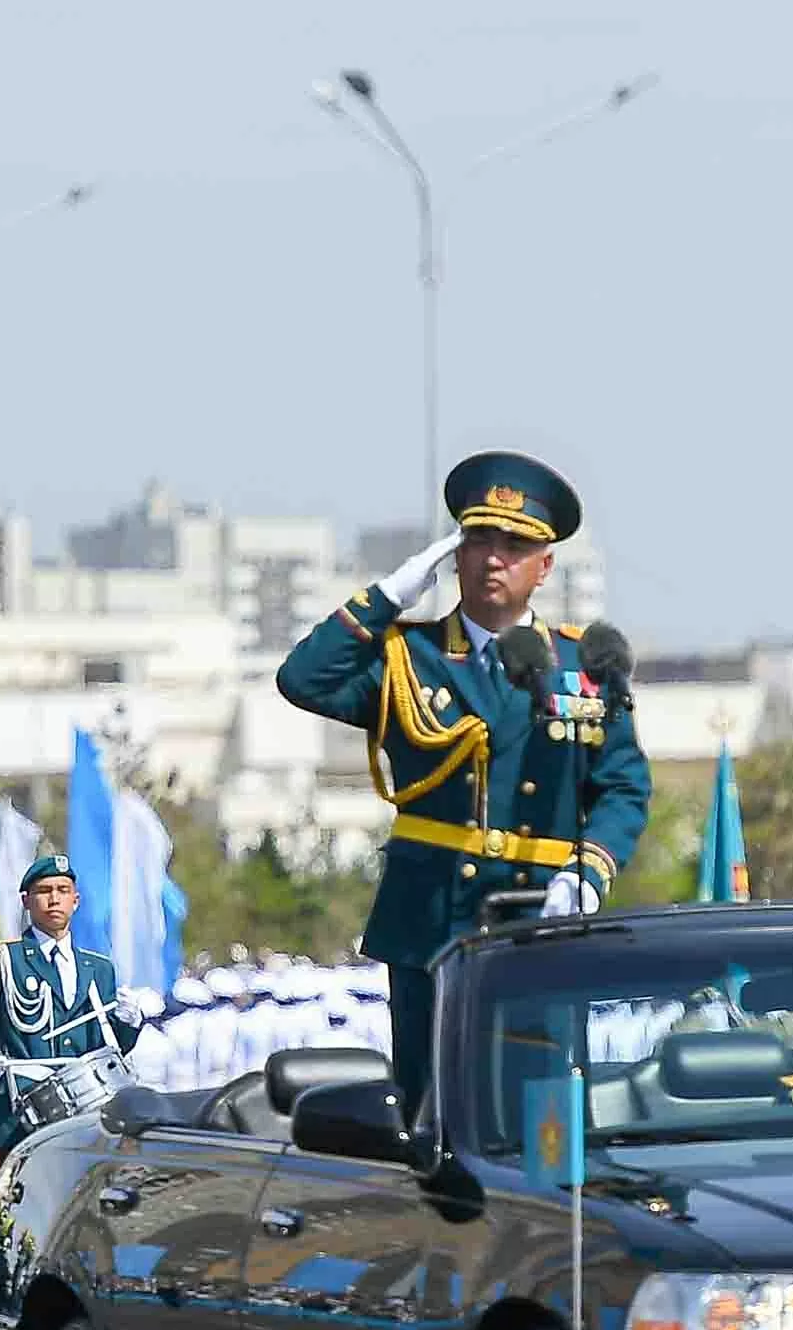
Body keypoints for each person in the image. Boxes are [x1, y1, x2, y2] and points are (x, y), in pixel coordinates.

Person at [275, 450, 651, 1120]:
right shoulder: (404, 656)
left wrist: (587, 873)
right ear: (453, 554)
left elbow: (622, 788)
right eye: (478, 539)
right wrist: (385, 597)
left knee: (539, 1113)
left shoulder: (582, 667)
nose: (493, 558)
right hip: (430, 917)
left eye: (514, 544)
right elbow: (302, 680)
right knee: (433, 1110)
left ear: (545, 566)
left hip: (539, 915)